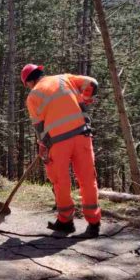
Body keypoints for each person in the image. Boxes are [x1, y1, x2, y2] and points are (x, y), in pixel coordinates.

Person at [21, 64, 101, 237]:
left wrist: (43, 146)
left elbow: (39, 127)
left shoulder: (33, 96)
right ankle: (94, 223)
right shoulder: (65, 78)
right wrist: (85, 98)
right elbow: (92, 83)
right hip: (82, 136)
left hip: (58, 144)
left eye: (26, 84)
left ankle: (65, 222)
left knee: (60, 181)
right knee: (88, 179)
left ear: (30, 81)